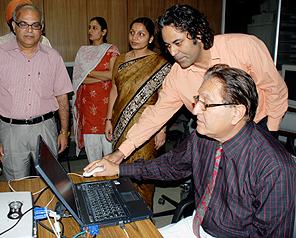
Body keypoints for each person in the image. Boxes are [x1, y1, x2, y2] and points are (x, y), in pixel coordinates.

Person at [85, 64, 296, 237]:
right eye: (197, 100)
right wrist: (119, 169)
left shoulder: (274, 166)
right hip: (196, 225)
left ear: (236, 113)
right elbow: (169, 166)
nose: (195, 111)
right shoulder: (203, 138)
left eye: (206, 105)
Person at [101, 4, 288, 165]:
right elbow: (156, 114)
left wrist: (270, 133)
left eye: (178, 42)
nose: (173, 52)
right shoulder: (177, 74)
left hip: (256, 128)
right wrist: (121, 152)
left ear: (197, 34)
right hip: (212, 137)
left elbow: (275, 89)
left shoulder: (244, 47)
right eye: (168, 46)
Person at [0, 4, 73, 180]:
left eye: (35, 25)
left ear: (42, 28)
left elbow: (62, 97)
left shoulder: (53, 57)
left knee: (50, 181)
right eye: (24, 24)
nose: (29, 30)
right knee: (16, 184)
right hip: (11, 131)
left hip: (45, 128)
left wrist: (63, 132)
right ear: (14, 26)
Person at [104, 17, 171, 208]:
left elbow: (166, 100)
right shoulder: (119, 60)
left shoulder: (160, 63)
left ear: (151, 38)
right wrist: (108, 119)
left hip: (147, 125)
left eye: (141, 34)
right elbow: (114, 90)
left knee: (144, 172)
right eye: (132, 32)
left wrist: (162, 129)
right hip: (120, 122)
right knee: (120, 166)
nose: (135, 37)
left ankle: (144, 215)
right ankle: (124, 212)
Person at [72, 17, 120, 163]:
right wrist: (102, 76)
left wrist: (90, 73)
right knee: (92, 156)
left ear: (104, 31)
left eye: (95, 28)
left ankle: (112, 183)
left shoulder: (111, 49)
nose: (90, 31)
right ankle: (95, 182)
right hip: (88, 108)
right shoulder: (83, 51)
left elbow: (113, 74)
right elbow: (79, 79)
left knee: (109, 153)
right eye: (89, 27)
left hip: (107, 108)